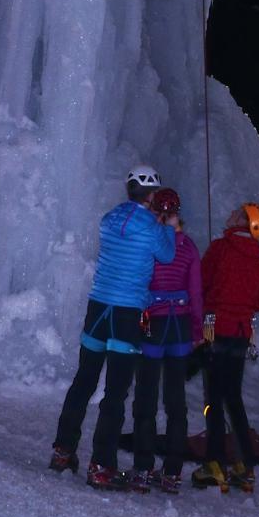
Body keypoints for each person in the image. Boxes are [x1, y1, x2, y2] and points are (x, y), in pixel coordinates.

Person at [50, 168, 177, 490]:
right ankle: (101, 466)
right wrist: (168, 226)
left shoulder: (109, 218)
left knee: (83, 381)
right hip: (126, 313)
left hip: (98, 308)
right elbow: (167, 255)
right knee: (115, 392)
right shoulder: (152, 228)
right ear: (152, 195)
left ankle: (63, 451)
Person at [196, 201, 259, 494]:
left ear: (242, 220)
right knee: (234, 398)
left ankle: (215, 463)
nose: (229, 214)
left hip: (215, 330)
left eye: (236, 212)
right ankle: (244, 466)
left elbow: (202, 283)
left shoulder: (221, 249)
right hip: (241, 334)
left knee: (213, 399)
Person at [131, 186, 203, 494]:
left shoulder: (150, 243)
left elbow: (140, 283)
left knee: (146, 397)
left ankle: (143, 468)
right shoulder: (188, 247)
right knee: (176, 401)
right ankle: (172, 471)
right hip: (181, 327)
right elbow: (196, 291)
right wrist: (199, 331)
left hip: (154, 323)